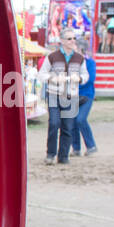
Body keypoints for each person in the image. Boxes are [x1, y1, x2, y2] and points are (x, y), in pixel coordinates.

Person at [37, 29, 87, 164]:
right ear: (62, 41)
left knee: (68, 127)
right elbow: (41, 74)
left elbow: (86, 75)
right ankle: (50, 154)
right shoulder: (52, 56)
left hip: (71, 96)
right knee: (54, 123)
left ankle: (63, 156)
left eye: (74, 38)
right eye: (69, 38)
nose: (72, 41)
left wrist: (80, 78)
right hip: (54, 94)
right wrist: (53, 78)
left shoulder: (80, 58)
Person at [71, 38, 98, 156]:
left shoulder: (90, 63)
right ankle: (76, 148)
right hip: (73, 95)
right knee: (72, 121)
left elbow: (91, 79)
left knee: (81, 119)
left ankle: (91, 145)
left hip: (87, 95)